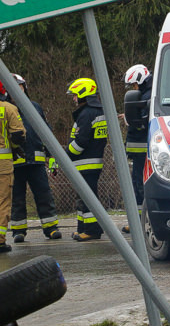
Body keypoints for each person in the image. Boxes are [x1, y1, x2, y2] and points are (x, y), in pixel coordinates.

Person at [9, 74, 62, 241]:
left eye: (20, 86)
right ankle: (18, 231)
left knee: (44, 194)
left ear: (25, 87)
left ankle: (51, 228)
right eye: (13, 87)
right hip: (14, 163)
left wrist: (52, 156)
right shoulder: (6, 109)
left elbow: (45, 132)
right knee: (16, 198)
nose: (17, 89)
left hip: (37, 162)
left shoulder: (35, 107)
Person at [66, 77, 107, 242]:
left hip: (85, 163)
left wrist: (65, 154)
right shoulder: (96, 111)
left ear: (83, 93)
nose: (74, 99)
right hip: (91, 162)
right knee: (84, 196)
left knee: (88, 197)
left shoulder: (86, 113)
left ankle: (92, 230)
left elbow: (81, 142)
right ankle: (82, 228)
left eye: (75, 95)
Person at [121, 64, 152, 234]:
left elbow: (140, 122)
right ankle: (140, 221)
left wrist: (129, 119)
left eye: (133, 85)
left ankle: (140, 223)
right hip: (141, 152)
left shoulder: (146, 97)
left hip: (143, 152)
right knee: (139, 186)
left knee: (140, 186)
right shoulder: (145, 94)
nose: (133, 88)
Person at [0, 80, 26, 253]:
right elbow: (18, 135)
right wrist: (18, 149)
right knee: (2, 201)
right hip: (2, 165)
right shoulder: (8, 108)